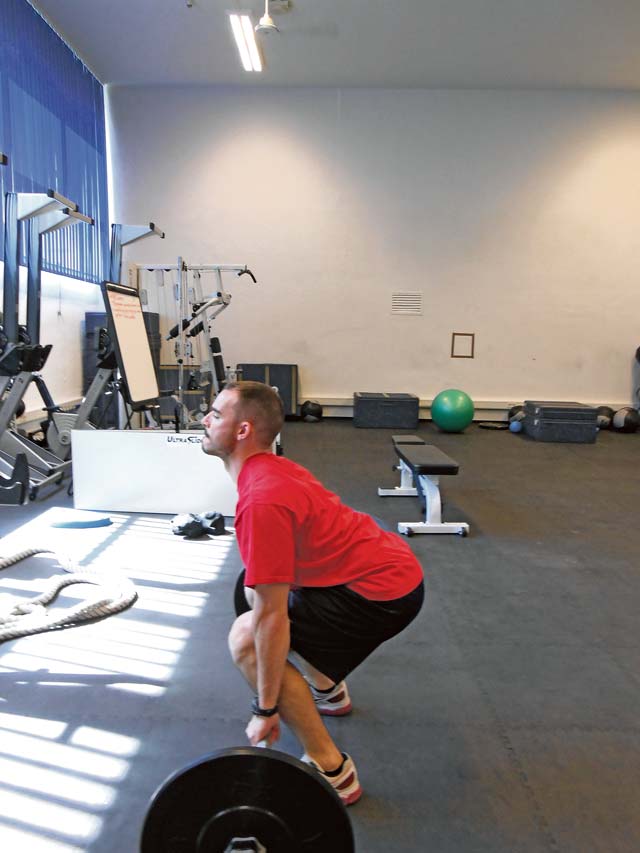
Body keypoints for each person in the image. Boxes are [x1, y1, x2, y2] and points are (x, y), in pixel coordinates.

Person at [201, 381, 424, 805]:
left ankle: (333, 769)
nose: (206, 420)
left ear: (243, 430)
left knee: (247, 639)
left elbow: (271, 620)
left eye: (215, 412)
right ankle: (326, 686)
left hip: (383, 592)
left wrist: (265, 708)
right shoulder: (271, 468)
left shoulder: (261, 500)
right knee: (251, 589)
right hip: (383, 568)